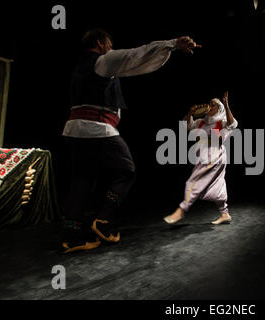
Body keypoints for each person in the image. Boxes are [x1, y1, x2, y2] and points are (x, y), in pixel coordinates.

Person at [61, 29, 201, 253]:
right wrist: (173, 44)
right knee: (127, 170)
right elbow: (137, 55)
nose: (111, 48)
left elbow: (131, 64)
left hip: (73, 131)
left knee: (82, 181)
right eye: (109, 43)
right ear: (99, 43)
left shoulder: (80, 67)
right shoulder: (103, 60)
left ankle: (71, 237)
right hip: (95, 129)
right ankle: (103, 221)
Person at [164, 91, 238, 225]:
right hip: (203, 156)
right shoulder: (201, 122)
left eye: (213, 105)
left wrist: (226, 106)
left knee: (192, 183)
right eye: (209, 104)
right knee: (218, 186)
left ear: (219, 109)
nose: (210, 106)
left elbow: (232, 125)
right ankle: (225, 213)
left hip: (214, 156)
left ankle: (181, 210)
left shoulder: (222, 122)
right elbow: (185, 125)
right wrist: (190, 113)